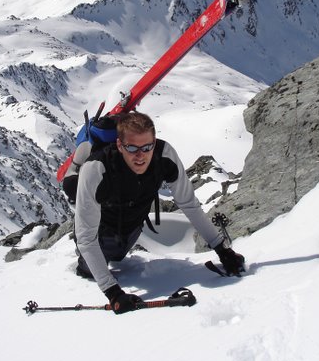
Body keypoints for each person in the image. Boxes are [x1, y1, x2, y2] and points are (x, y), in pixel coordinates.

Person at [74, 111, 245, 314]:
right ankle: (83, 262)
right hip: (102, 227)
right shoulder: (97, 168)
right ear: (119, 145)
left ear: (154, 142)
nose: (141, 155)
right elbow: (86, 237)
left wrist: (223, 250)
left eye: (147, 147)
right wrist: (113, 293)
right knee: (92, 266)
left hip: (134, 224)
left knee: (119, 254)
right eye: (132, 148)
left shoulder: (164, 155)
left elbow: (189, 204)